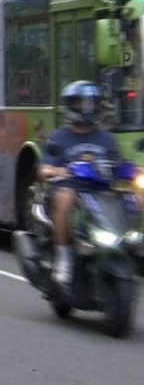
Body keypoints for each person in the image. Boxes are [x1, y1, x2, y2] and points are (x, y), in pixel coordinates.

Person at [38, 80, 144, 291]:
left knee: (139, 197)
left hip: (102, 191)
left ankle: (134, 243)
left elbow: (118, 165)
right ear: (70, 105)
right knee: (64, 197)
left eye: (92, 103)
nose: (87, 108)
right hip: (72, 189)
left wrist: (135, 173)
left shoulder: (107, 138)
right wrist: (56, 171)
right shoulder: (58, 137)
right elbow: (43, 169)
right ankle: (64, 258)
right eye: (80, 103)